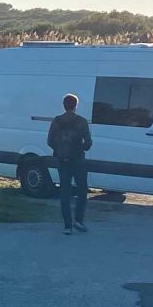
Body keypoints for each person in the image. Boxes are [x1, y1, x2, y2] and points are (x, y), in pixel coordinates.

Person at [46, 93, 92, 234]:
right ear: (76, 106)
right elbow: (88, 143)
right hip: (78, 160)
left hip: (62, 160)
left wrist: (59, 150)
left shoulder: (56, 121)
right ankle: (78, 220)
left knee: (65, 192)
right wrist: (81, 148)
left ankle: (67, 226)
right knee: (82, 190)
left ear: (64, 105)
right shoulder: (82, 122)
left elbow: (49, 141)